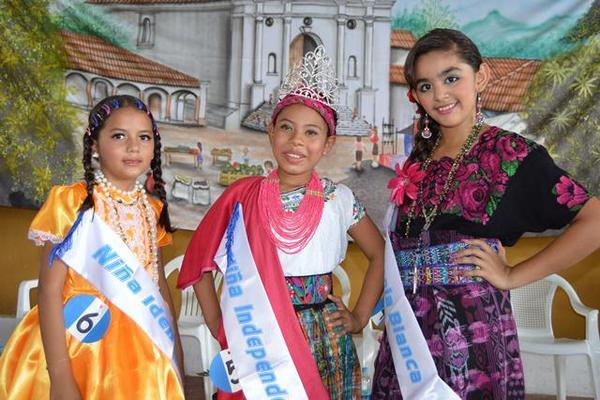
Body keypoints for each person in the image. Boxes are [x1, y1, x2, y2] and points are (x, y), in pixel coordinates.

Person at [372, 28, 600, 400]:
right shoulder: (417, 161)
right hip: (406, 329)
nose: (440, 95)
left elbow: (595, 221)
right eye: (426, 86)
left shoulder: (509, 153)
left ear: (482, 76)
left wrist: (512, 275)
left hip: (470, 329)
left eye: (451, 78)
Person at [177, 46, 384, 399]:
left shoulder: (339, 199)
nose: (296, 142)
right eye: (286, 128)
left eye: (311, 133)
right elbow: (199, 263)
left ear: (328, 143)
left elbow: (380, 254)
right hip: (258, 329)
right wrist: (218, 324)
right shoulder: (242, 197)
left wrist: (359, 317)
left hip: (323, 334)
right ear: (271, 131)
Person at [0, 95, 185, 399]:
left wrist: (176, 356)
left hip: (142, 346)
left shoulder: (151, 210)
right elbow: (48, 290)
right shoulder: (72, 202)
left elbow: (159, 287)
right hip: (76, 343)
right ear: (95, 145)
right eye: (118, 136)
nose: (133, 147)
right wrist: (59, 377)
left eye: (144, 137)